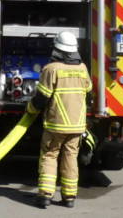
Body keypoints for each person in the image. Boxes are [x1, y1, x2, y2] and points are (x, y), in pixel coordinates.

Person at [28, 31, 91, 209]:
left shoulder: (51, 69)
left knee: (49, 155)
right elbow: (89, 92)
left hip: (55, 125)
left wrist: (30, 110)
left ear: (57, 49)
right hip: (77, 126)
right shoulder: (83, 69)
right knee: (71, 158)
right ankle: (69, 197)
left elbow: (42, 98)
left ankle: (45, 195)